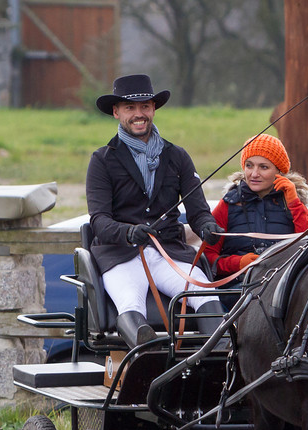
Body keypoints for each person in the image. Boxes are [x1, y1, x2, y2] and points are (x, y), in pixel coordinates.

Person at [86, 73, 224, 348]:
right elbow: (99, 221)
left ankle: (219, 360)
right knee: (130, 300)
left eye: (145, 107)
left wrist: (208, 226)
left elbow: (198, 211)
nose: (139, 115)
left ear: (153, 109)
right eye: (130, 108)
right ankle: (148, 360)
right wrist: (128, 232)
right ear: (116, 112)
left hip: (168, 252)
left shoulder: (177, 156)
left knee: (205, 294)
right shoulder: (102, 160)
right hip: (121, 255)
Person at [204, 133, 308, 286]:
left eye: (263, 167)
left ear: (279, 172)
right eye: (249, 165)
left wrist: (294, 202)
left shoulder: (293, 202)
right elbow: (207, 256)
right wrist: (238, 263)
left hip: (285, 290)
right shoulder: (228, 204)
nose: (254, 174)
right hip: (236, 292)